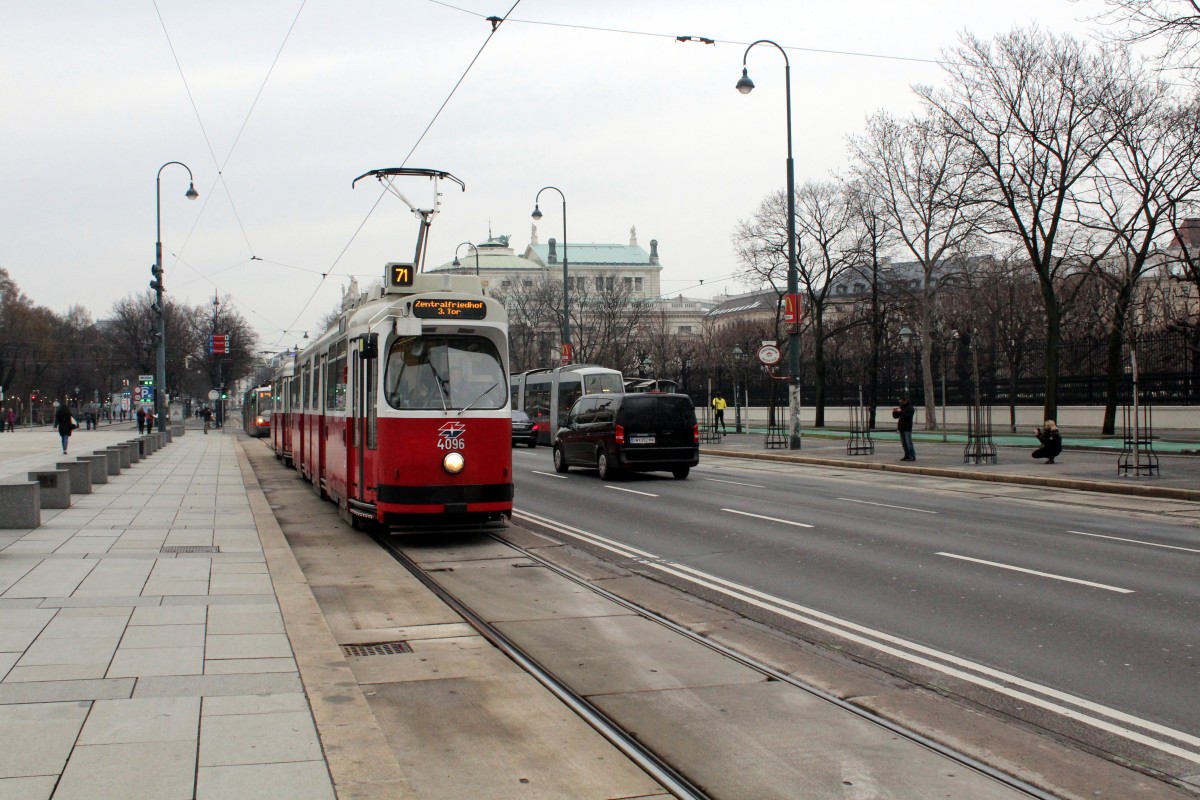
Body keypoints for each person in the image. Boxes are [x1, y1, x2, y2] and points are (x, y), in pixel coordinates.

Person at [892, 395, 916, 461]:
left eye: (902, 402)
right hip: (901, 427)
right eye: (900, 402)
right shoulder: (901, 407)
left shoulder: (910, 408)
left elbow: (908, 416)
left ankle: (912, 456)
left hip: (907, 427)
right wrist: (894, 412)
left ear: (905, 401)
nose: (901, 403)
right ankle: (907, 455)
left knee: (909, 443)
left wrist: (901, 411)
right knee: (904, 443)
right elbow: (896, 416)